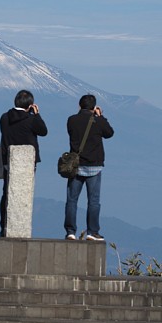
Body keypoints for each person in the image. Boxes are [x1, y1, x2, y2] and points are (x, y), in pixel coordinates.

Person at [63, 94, 114, 241]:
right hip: (94, 166)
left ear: (79, 105)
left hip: (76, 167)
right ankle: (92, 232)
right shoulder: (98, 122)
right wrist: (101, 117)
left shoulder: (71, 120)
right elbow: (109, 133)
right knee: (93, 201)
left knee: (72, 200)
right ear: (94, 107)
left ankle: (70, 232)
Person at [0, 90, 48, 237]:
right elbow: (43, 131)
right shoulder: (31, 119)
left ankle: (4, 226)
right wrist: (36, 114)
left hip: (8, 161)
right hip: (27, 164)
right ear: (30, 105)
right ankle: (20, 227)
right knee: (24, 194)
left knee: (6, 193)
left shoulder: (4, 117)